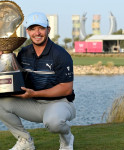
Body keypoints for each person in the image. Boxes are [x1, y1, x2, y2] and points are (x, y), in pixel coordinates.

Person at [0, 12, 76, 150]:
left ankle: (67, 138)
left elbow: (66, 89)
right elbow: (11, 75)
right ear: (28, 31)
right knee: (1, 103)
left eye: (41, 28)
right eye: (33, 29)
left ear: (48, 29)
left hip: (59, 103)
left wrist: (33, 94)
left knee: (54, 123)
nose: (37, 33)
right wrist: (3, 57)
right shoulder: (24, 52)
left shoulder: (60, 55)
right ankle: (25, 141)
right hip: (33, 104)